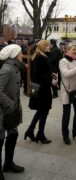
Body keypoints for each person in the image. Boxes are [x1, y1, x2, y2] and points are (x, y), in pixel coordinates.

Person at [24, 40, 57, 144]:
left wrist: (50, 74)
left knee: (41, 111)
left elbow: (41, 72)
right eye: (47, 46)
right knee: (44, 111)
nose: (49, 47)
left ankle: (31, 131)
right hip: (42, 90)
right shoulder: (40, 58)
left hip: (42, 89)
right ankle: (40, 135)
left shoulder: (40, 56)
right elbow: (38, 75)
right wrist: (51, 80)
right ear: (43, 47)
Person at [0, 44, 25, 178]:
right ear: (15, 55)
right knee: (0, 138)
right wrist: (10, 104)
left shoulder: (15, 67)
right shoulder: (7, 69)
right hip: (3, 111)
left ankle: (8, 164)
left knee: (13, 135)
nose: (22, 55)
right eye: (20, 53)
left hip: (11, 111)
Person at [59, 43, 76, 145]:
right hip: (67, 92)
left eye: (75, 49)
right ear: (67, 50)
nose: (75, 51)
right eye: (73, 49)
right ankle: (65, 136)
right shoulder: (63, 61)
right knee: (66, 115)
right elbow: (66, 74)